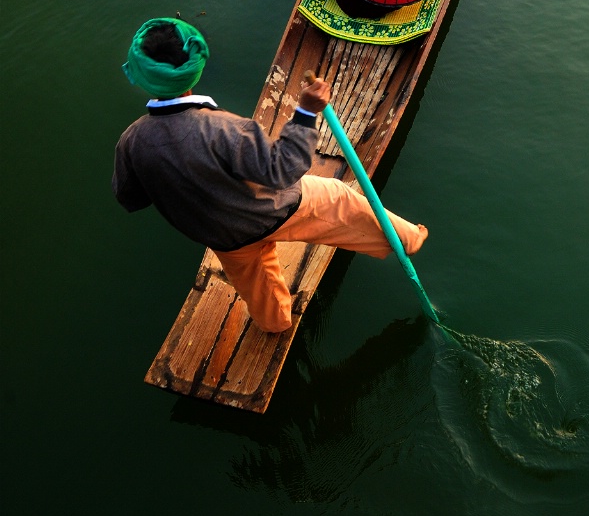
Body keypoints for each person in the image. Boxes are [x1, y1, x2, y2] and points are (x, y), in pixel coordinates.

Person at [113, 17, 428, 333]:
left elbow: (130, 198)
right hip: (275, 212)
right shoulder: (222, 129)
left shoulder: (131, 141)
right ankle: (408, 239)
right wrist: (305, 112)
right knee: (339, 196)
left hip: (224, 239)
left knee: (258, 284)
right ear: (194, 68)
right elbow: (285, 170)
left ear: (143, 76)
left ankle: (275, 323)